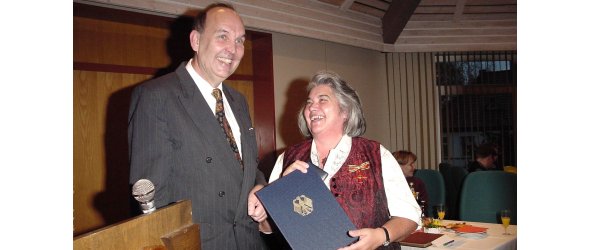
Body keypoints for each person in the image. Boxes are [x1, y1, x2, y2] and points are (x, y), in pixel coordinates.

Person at [128, 3, 268, 249]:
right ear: (195, 40)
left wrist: (260, 187)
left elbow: (247, 166)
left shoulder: (238, 101)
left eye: (239, 41)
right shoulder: (157, 96)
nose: (233, 50)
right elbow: (151, 197)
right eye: (222, 36)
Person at [266, 71, 421, 250]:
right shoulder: (287, 158)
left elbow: (410, 217)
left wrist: (381, 235)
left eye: (322, 100)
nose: (312, 107)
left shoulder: (376, 155)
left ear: (345, 111)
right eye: (309, 102)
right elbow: (269, 226)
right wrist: (282, 192)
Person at [392, 150, 429, 217]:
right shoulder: (387, 183)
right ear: (398, 166)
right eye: (410, 164)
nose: (414, 167)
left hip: (414, 219)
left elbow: (424, 205)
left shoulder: (417, 183)